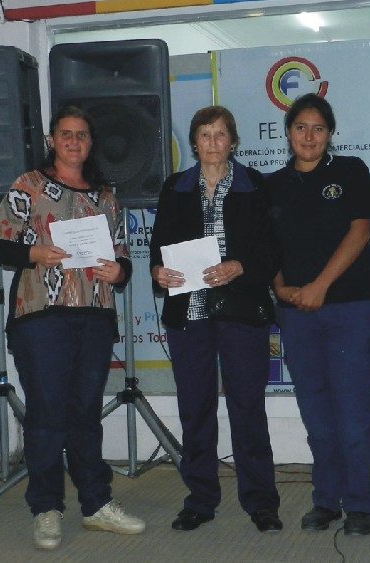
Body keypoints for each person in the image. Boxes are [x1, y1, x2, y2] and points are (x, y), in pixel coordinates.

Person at [0, 103, 144, 551]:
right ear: (52, 140)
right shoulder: (29, 185)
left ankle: (96, 505)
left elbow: (122, 255)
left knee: (85, 414)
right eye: (66, 134)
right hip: (41, 317)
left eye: (82, 135)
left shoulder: (106, 196)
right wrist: (34, 254)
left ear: (91, 143)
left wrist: (120, 272)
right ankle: (46, 508)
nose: (74, 142)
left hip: (94, 317)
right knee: (47, 414)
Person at [150, 106, 282, 533]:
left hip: (241, 310)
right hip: (189, 312)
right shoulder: (175, 187)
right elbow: (159, 246)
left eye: (220, 134)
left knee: (247, 407)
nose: (212, 142)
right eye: (204, 135)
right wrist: (158, 271)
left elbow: (272, 251)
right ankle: (200, 499)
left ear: (233, 141)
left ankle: (261, 501)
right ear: (194, 143)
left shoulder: (255, 185)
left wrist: (240, 266)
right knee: (195, 408)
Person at [266, 93, 370, 537]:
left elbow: (360, 231)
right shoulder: (272, 185)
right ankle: (325, 501)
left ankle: (359, 504)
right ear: (288, 133)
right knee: (315, 411)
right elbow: (266, 246)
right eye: (301, 128)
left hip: (350, 306)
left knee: (352, 411)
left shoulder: (351, 171)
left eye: (318, 128)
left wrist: (320, 286)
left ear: (330, 133)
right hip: (296, 311)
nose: (309, 136)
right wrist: (279, 287)